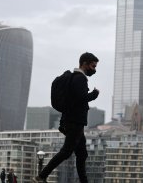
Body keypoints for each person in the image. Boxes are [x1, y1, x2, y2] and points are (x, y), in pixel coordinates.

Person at [32, 52, 99, 183]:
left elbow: (73, 100)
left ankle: (83, 181)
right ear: (84, 63)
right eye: (93, 66)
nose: (94, 69)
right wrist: (94, 94)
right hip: (75, 122)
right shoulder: (79, 78)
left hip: (73, 121)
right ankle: (41, 176)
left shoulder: (74, 78)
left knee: (82, 154)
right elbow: (81, 98)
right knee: (66, 151)